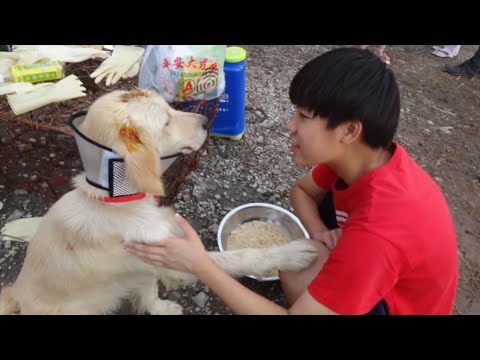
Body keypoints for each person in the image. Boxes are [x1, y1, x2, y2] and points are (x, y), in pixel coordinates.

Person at [124, 48, 458, 315]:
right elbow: (301, 190)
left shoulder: (379, 231)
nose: (289, 125)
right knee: (303, 254)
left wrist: (200, 264)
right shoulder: (366, 159)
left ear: (349, 130)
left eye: (304, 116)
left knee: (296, 265)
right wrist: (322, 235)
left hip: (393, 305)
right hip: (369, 263)